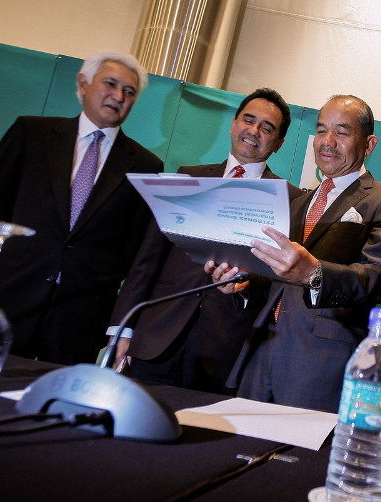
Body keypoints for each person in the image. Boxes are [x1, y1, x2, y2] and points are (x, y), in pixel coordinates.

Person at [208, 95, 381, 412]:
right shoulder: (298, 201)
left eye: (341, 132)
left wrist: (315, 275)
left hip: (319, 364)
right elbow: (276, 278)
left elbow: (379, 279)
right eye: (321, 131)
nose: (327, 142)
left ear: (368, 145)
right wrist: (242, 286)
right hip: (261, 354)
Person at [109, 88, 303, 393]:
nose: (253, 131)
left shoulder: (291, 199)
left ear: (278, 143)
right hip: (157, 335)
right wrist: (122, 328)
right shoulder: (189, 177)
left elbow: (283, 282)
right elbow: (147, 261)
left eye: (266, 128)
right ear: (233, 123)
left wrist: (245, 286)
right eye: (248, 120)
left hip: (226, 348)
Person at [0, 51, 163, 365]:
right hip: (12, 301)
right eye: (110, 84)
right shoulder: (30, 134)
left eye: (129, 92)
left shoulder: (146, 166)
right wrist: (16, 263)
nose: (118, 96)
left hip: (82, 318)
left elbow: (135, 252)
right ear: (84, 83)